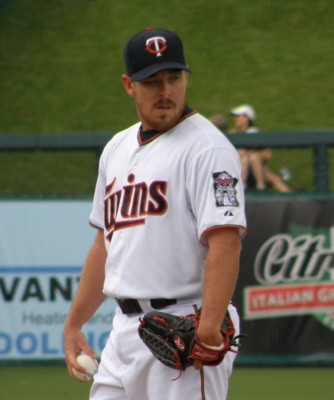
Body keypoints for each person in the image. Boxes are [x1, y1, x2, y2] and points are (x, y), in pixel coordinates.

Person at [64, 28, 247, 400]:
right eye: (152, 82)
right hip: (123, 331)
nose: (166, 91)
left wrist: (210, 325)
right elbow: (104, 245)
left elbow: (225, 242)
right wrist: (74, 324)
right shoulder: (116, 148)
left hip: (186, 324)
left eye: (174, 78)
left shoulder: (208, 149)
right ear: (129, 85)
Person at [230, 104, 291, 193]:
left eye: (238, 116)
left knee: (275, 180)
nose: (235, 119)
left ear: (246, 118)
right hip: (239, 170)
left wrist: (251, 155)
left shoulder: (256, 134)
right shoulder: (233, 134)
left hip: (258, 170)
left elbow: (268, 155)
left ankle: (293, 197)